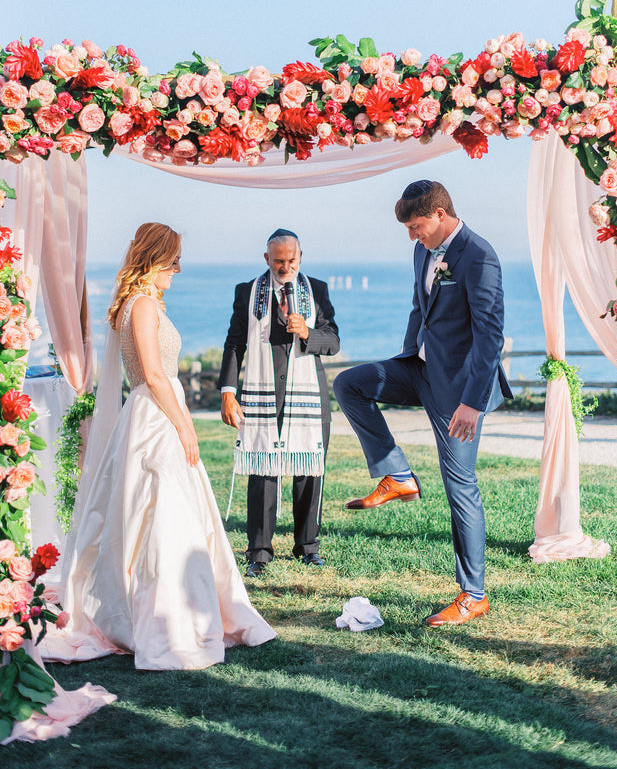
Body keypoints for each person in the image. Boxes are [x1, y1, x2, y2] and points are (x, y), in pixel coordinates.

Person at [41, 223, 276, 670]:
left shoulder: (136, 303)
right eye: (173, 260)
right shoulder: (143, 304)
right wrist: (185, 426)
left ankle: (170, 602)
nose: (179, 269)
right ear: (155, 257)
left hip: (151, 412)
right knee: (164, 511)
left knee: (160, 508)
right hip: (154, 415)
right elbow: (152, 374)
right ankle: (166, 615)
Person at [334, 181, 511, 626]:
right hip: (418, 369)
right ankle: (397, 474)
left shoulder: (480, 255)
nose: (413, 236)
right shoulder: (423, 251)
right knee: (350, 383)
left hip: (459, 391)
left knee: (460, 487)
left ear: (439, 212)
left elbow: (490, 337)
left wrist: (471, 402)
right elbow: (421, 307)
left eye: (417, 226)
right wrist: (407, 355)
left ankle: (473, 595)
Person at [219, 229, 340, 577]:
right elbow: (233, 344)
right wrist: (229, 390)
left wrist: (307, 333)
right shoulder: (247, 292)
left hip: (308, 394)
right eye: (278, 261)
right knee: (262, 469)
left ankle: (307, 547)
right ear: (266, 259)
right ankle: (258, 552)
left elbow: (333, 341)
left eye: (291, 260)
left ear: (300, 257)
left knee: (309, 470)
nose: (285, 267)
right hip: (261, 391)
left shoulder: (316, 290)